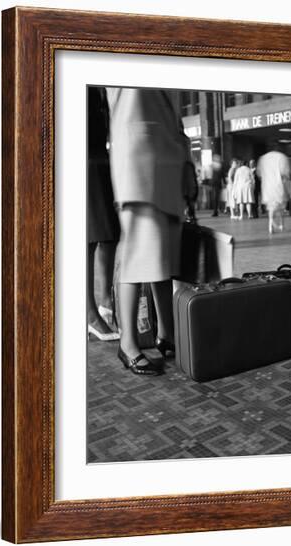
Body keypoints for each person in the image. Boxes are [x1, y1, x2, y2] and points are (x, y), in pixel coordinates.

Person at [107, 87, 197, 375]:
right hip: (137, 158)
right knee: (139, 252)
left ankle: (167, 334)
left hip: (169, 159)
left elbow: (174, 114)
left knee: (165, 257)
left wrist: (187, 162)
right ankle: (128, 343)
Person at [87, 86, 120, 341]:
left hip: (103, 158)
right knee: (88, 239)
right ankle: (89, 314)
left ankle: (106, 304)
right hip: (83, 159)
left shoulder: (100, 89)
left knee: (109, 234)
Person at [257, 146, 291, 234]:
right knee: (281, 208)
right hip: (279, 186)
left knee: (271, 208)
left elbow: (259, 173)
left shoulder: (263, 158)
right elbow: (285, 174)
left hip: (267, 186)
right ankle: (281, 224)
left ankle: (270, 225)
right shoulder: (282, 157)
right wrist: (289, 190)